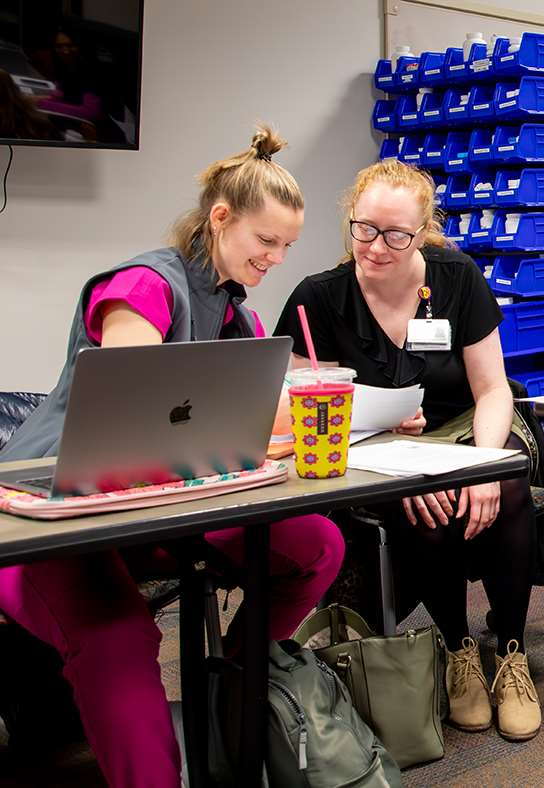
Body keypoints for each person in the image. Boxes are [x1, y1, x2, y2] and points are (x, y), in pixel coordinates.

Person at [0, 126, 346, 788]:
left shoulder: (229, 306)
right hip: (52, 514)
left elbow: (253, 405)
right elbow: (136, 392)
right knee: (118, 637)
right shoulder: (147, 283)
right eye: (266, 241)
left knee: (316, 545)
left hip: (159, 500)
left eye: (288, 247)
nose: (276, 258)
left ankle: (239, 683)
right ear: (221, 218)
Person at [274, 159, 541, 742]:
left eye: (396, 235)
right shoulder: (317, 298)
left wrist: (481, 466)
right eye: (364, 229)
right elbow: (294, 415)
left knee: (512, 485)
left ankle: (513, 654)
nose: (375, 247)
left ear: (424, 231)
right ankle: (460, 650)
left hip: (470, 428)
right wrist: (380, 438)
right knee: (423, 504)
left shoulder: (456, 277)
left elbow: (494, 389)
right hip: (380, 449)